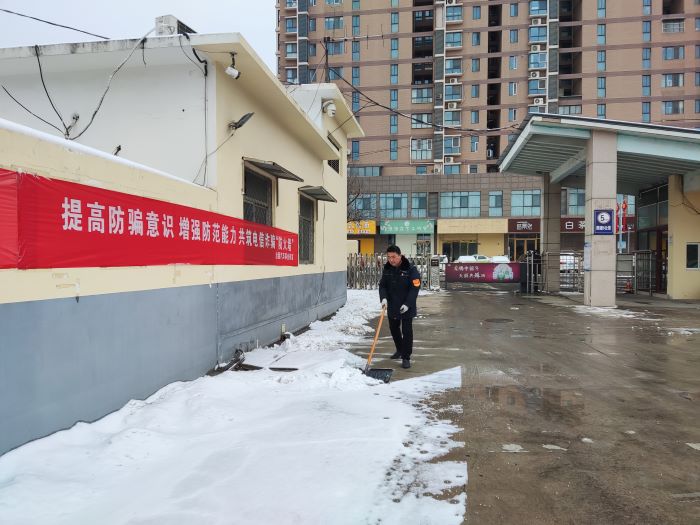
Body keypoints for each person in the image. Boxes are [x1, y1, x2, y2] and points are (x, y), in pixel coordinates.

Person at [378, 245, 421, 369]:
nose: (391, 260)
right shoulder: (387, 269)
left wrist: (408, 304)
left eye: (393, 257)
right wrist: (383, 298)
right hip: (392, 305)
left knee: (407, 332)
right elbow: (382, 286)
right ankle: (400, 349)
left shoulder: (410, 269)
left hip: (407, 306)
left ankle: (406, 357)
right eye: (389, 257)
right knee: (394, 329)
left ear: (400, 256)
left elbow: (415, 288)